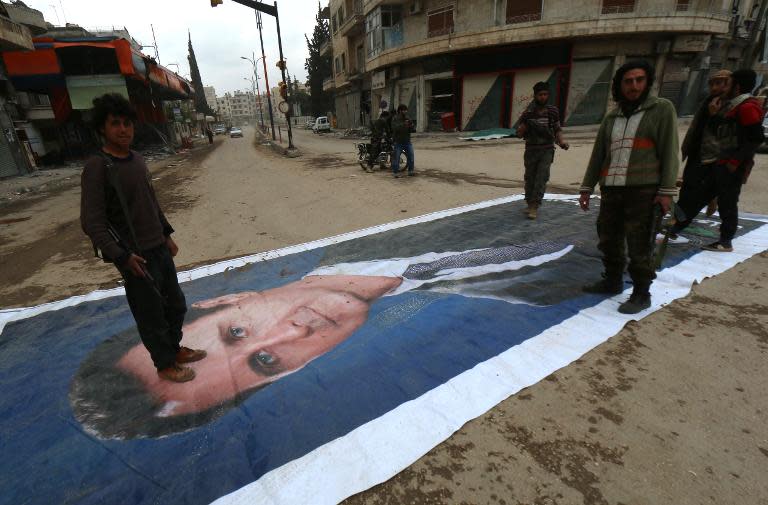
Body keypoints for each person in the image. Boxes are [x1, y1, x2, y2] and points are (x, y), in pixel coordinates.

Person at [71, 241, 573, 437]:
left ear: (219, 301)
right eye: (265, 362)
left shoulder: (369, 246)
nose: (294, 333)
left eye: (238, 332)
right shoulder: (505, 298)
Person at [80, 93, 207, 383]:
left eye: (127, 123)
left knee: (175, 305)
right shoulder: (98, 167)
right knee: (151, 315)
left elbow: (150, 203)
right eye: (115, 124)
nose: (123, 129)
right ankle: (164, 365)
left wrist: (166, 234)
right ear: (102, 128)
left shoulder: (137, 160)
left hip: (158, 247)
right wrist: (121, 256)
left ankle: (174, 350)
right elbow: (92, 222)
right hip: (133, 255)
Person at [578, 60, 679, 314]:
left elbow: (670, 152)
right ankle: (611, 281)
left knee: (640, 244)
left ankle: (641, 293)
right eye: (628, 81)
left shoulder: (661, 109)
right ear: (619, 85)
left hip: (643, 192)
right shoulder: (612, 117)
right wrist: (586, 187)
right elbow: (599, 154)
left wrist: (666, 191)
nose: (634, 86)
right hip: (612, 190)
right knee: (608, 238)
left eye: (639, 80)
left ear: (647, 82)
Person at [670, 69, 765, 252]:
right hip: (721, 162)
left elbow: (755, 138)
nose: (724, 88)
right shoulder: (732, 105)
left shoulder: (747, 107)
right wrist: (714, 116)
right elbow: (722, 131)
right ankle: (674, 228)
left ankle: (725, 241)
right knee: (698, 197)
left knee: (727, 202)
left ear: (736, 87)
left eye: (728, 84)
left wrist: (735, 162)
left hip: (730, 165)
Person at [679, 70, 731, 219]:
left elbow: (724, 132)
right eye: (712, 84)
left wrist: (715, 114)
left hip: (711, 154)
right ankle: (677, 220)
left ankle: (678, 222)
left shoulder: (728, 104)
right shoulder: (708, 101)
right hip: (696, 150)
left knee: (697, 191)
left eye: (719, 83)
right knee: (687, 187)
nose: (714, 88)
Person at [516, 82, 569, 220]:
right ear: (535, 96)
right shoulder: (528, 113)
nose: (543, 97)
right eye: (540, 95)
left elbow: (557, 129)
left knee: (542, 177)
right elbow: (519, 133)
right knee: (530, 178)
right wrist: (525, 125)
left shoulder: (552, 111)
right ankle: (529, 202)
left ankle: (534, 206)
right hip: (531, 150)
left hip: (546, 149)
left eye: (545, 94)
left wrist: (562, 142)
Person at [391, 104, 415, 178]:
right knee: (396, 158)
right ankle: (395, 172)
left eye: (406, 110)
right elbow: (395, 128)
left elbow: (412, 130)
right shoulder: (395, 118)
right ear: (400, 111)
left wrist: (411, 126)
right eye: (404, 110)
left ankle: (411, 171)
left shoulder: (408, 118)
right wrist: (403, 124)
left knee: (411, 156)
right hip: (398, 142)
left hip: (407, 141)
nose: (405, 111)